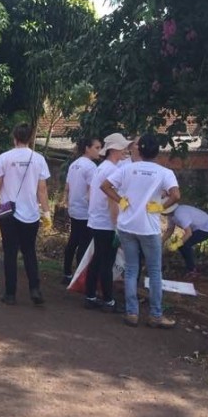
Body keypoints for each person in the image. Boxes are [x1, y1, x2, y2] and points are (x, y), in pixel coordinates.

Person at [101, 134, 181, 329]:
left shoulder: (127, 169)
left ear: (140, 150)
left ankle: (132, 313)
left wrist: (120, 200)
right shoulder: (164, 172)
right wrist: (160, 207)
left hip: (127, 225)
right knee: (154, 271)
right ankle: (155, 315)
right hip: (148, 227)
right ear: (157, 151)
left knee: (131, 269)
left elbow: (105, 186)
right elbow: (176, 195)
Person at [0, 122, 51, 306]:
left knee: (10, 253)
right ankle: (35, 289)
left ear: (14, 137)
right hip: (31, 214)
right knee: (29, 252)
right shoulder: (39, 159)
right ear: (31, 138)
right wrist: (47, 213)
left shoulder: (4, 158)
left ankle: (10, 294)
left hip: (7, 212)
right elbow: (42, 190)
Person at [84, 133, 131, 312]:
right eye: (123, 148)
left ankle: (90, 295)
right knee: (106, 261)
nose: (125, 151)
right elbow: (112, 201)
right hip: (106, 222)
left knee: (97, 259)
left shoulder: (102, 167)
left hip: (96, 219)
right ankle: (108, 300)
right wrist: (117, 225)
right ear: (115, 150)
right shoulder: (113, 170)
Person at [61, 137, 101, 284]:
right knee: (84, 244)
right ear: (87, 148)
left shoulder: (74, 165)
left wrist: (67, 202)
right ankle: (79, 277)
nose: (99, 151)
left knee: (73, 241)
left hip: (74, 208)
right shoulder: (91, 167)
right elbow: (93, 191)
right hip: (86, 211)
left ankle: (67, 273)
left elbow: (67, 188)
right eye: (97, 147)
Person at [162, 204, 208, 277]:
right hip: (199, 227)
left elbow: (188, 233)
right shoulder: (171, 216)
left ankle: (192, 270)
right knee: (183, 245)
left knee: (185, 245)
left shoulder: (179, 214)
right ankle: (190, 267)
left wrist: (176, 245)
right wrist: (160, 242)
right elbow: (170, 230)